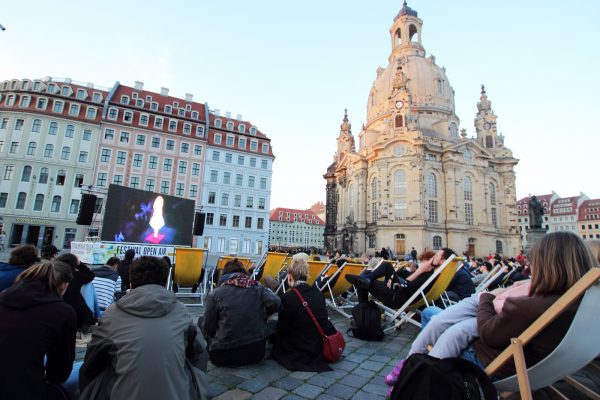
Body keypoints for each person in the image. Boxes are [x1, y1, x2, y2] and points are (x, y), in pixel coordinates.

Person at [385, 231, 597, 388]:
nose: (530, 268)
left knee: (441, 320)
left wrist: (486, 297)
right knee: (441, 318)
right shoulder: (580, 302)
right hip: (530, 358)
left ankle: (413, 376)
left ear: (547, 265)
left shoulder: (529, 305)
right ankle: (411, 365)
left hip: (489, 359)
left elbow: (488, 332)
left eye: (534, 263)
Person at [80, 256, 208, 400]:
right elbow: (200, 352)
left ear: (130, 282)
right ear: (165, 281)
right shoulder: (181, 312)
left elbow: (91, 365)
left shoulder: (112, 314)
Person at [0, 261, 77, 400]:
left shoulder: (3, 297)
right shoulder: (62, 312)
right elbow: (59, 372)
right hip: (22, 390)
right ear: (63, 285)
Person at [201, 258, 280, 367]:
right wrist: (264, 315)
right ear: (243, 273)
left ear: (225, 275)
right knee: (272, 325)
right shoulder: (257, 287)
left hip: (223, 356)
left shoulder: (216, 294)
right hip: (256, 353)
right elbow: (276, 302)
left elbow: (208, 328)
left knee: (202, 321)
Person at [272, 257, 337, 372]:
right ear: (306, 276)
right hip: (317, 345)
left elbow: (283, 328)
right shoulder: (317, 293)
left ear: (290, 277)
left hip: (299, 348)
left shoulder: (287, 298)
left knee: (272, 327)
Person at [345, 248, 456, 310]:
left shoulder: (429, 276)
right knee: (382, 269)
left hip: (396, 298)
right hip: (400, 294)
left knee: (363, 281)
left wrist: (419, 271)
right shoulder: (434, 275)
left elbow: (407, 286)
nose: (433, 257)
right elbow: (410, 285)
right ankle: (365, 280)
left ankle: (363, 310)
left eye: (436, 255)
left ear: (442, 261)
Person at [56, 253, 96, 332]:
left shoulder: (52, 274)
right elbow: (91, 275)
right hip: (74, 309)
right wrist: (79, 264)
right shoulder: (77, 276)